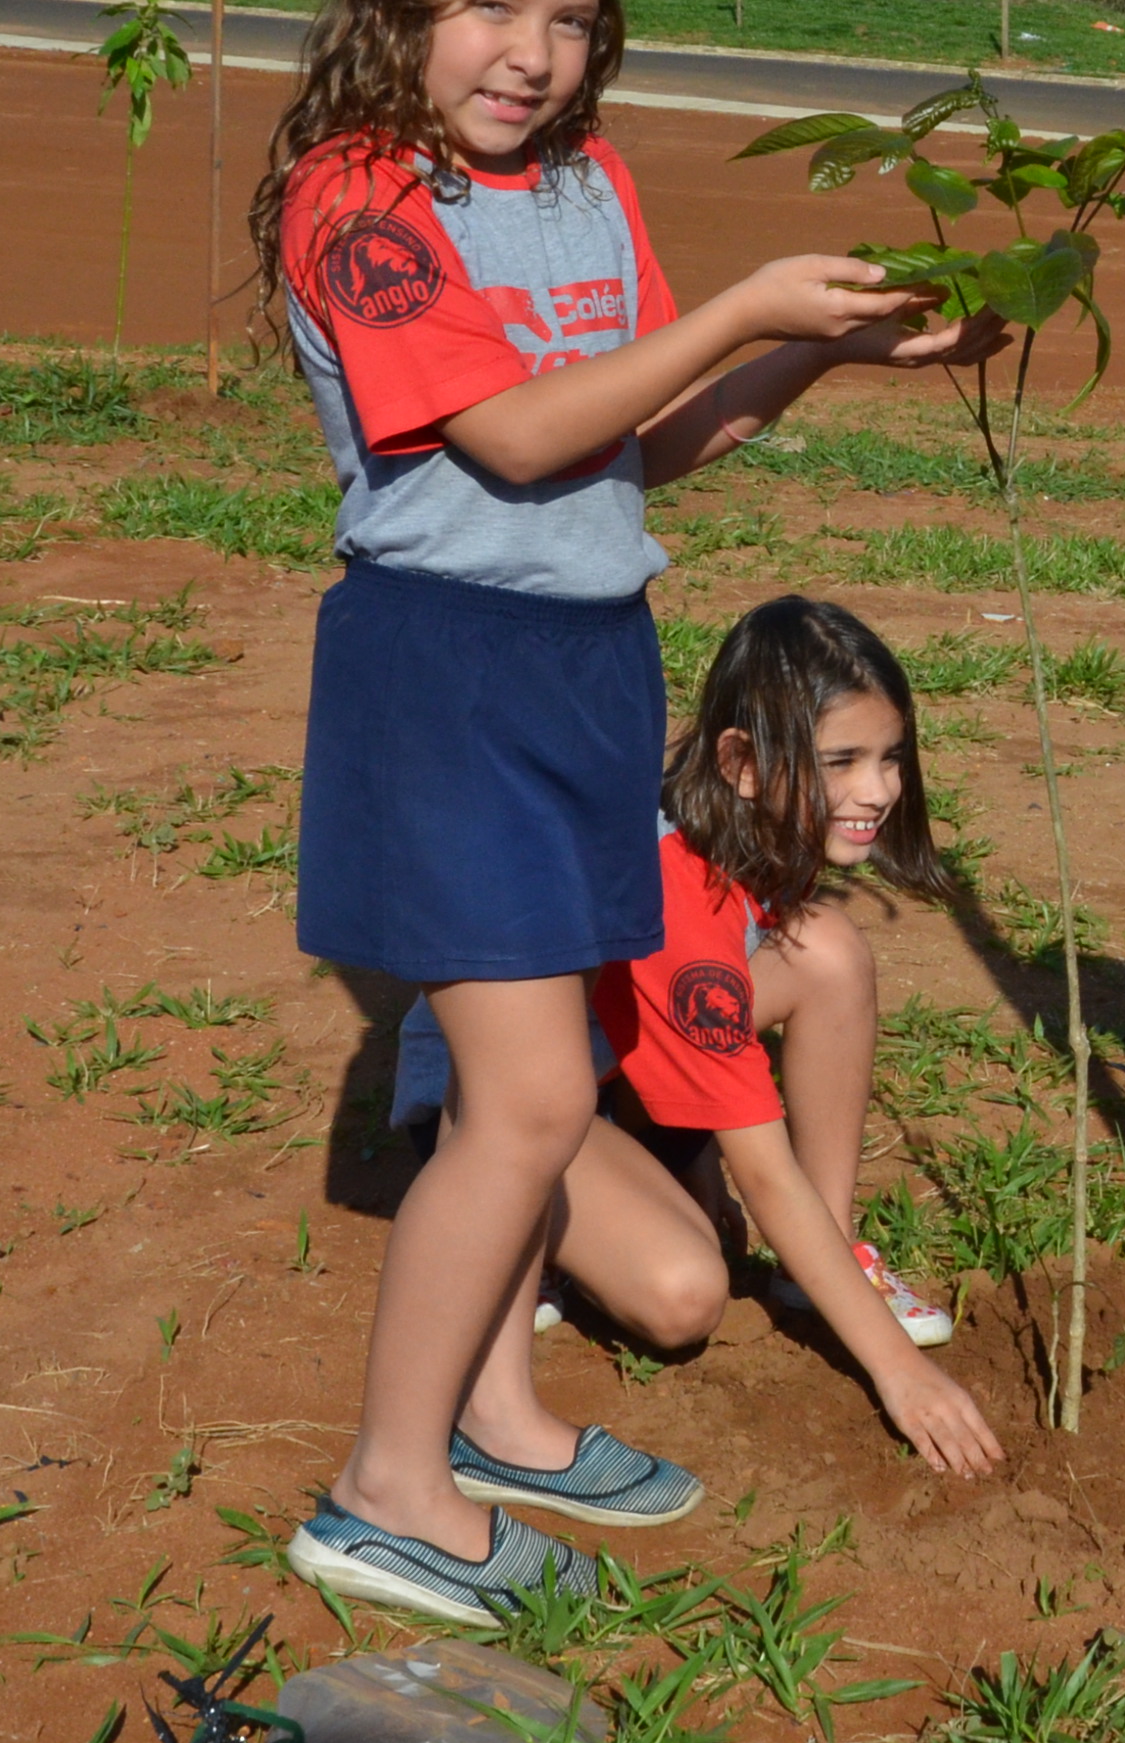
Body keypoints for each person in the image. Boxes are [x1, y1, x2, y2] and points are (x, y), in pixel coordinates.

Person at [262, 0, 1003, 1627]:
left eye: (570, 20)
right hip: (447, 666)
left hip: (592, 659)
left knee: (550, 1082)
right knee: (521, 1103)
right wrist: (751, 297)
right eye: (485, 3)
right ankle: (385, 1482)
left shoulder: (584, 187)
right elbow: (513, 434)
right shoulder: (357, 193)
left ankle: (495, 1408)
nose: (526, 52)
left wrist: (817, 349)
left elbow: (644, 435)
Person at [384, 597, 1002, 1483]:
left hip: (603, 1065)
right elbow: (761, 1166)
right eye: (842, 762)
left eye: (890, 755)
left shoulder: (728, 813)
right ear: (741, 764)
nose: (878, 789)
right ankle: (517, 1232)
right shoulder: (682, 897)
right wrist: (902, 1375)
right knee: (684, 1292)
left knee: (826, 950)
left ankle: (826, 1252)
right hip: (491, 1103)